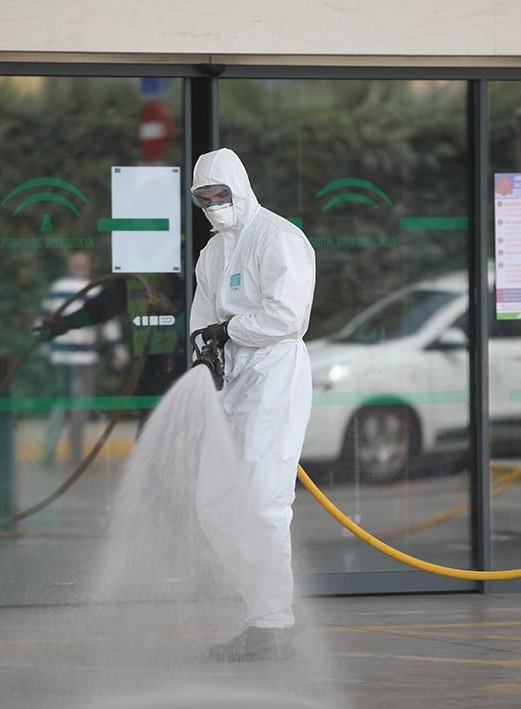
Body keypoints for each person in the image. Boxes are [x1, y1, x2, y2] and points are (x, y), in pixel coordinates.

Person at [188, 148, 316, 661]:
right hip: (231, 381)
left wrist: (229, 331)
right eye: (204, 198)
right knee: (214, 505)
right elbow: (201, 317)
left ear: (241, 187)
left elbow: (286, 315)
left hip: (274, 376)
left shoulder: (279, 238)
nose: (214, 205)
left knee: (264, 502)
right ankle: (267, 604)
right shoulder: (212, 254)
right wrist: (205, 350)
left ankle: (272, 622)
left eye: (221, 195)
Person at [38, 251, 128, 470]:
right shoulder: (93, 290)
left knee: (61, 404)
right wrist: (118, 350)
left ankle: (48, 450)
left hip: (61, 357)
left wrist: (44, 347)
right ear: (85, 267)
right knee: (79, 407)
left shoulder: (57, 288)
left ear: (70, 267)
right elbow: (107, 323)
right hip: (83, 358)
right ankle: (75, 456)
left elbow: (44, 321)